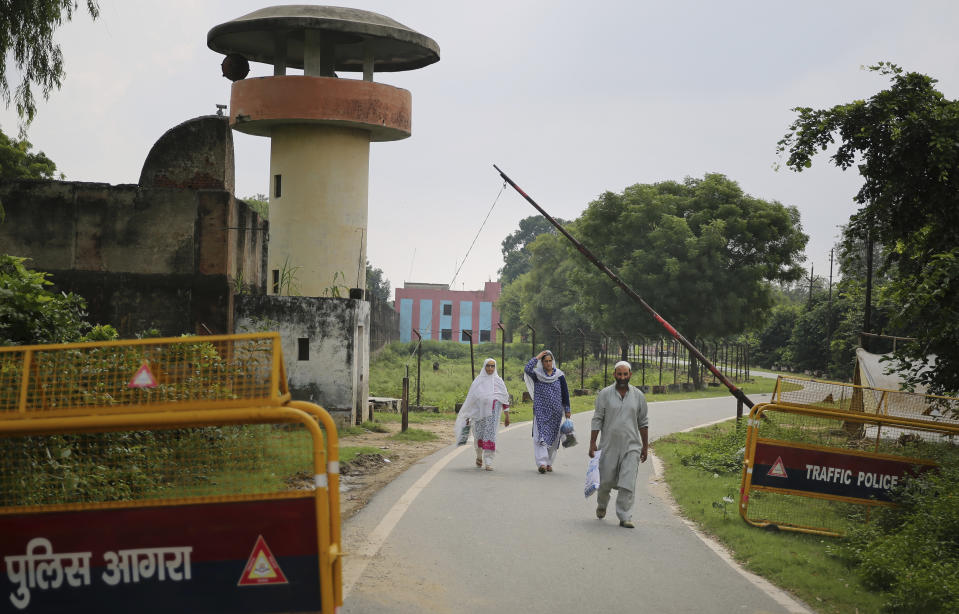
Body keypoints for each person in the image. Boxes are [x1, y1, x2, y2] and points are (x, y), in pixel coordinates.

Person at [589, 360, 649, 528]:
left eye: (625, 374)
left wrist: (645, 446)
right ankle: (602, 505)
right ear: (614, 375)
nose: (622, 377)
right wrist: (593, 442)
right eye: (619, 374)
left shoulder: (638, 396)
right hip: (608, 446)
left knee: (628, 483)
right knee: (605, 481)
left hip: (632, 447)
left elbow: (643, 422)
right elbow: (597, 419)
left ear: (630, 375)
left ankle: (625, 516)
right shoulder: (605, 394)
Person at [454, 358, 510, 470]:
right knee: (478, 436)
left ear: (495, 367)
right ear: (484, 367)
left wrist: (507, 416)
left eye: (492, 366)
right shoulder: (478, 381)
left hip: (493, 417)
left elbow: (504, 398)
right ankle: (479, 456)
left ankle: (488, 462)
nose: (490, 368)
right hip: (479, 416)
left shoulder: (499, 382)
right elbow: (471, 400)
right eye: (488, 366)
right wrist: (467, 415)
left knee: (490, 437)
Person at [524, 350, 571, 474]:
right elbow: (527, 369)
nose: (548, 363)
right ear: (542, 362)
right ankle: (542, 463)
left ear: (553, 361)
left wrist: (567, 410)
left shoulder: (559, 376)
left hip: (556, 412)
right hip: (540, 412)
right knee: (541, 437)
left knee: (554, 438)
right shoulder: (537, 375)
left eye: (550, 361)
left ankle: (549, 462)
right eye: (545, 361)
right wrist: (538, 356)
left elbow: (565, 394)